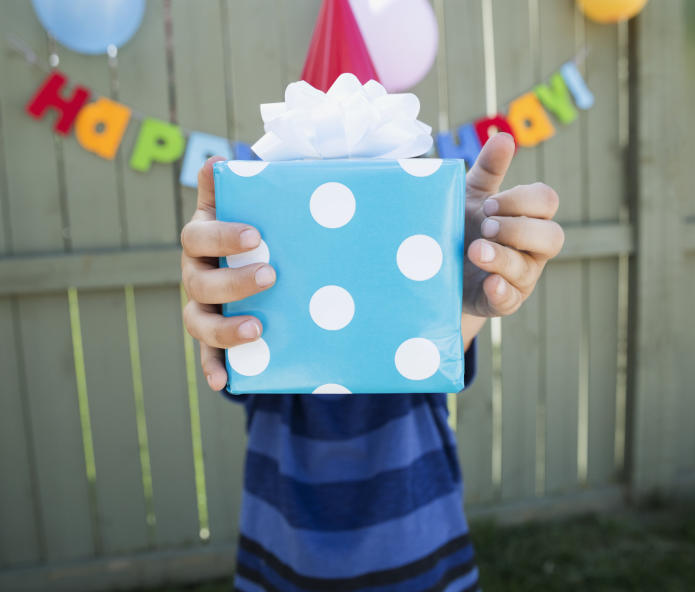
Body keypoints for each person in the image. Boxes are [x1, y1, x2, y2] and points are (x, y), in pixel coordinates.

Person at [180, 133, 564, 591]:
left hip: (421, 561)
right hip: (284, 560)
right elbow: (240, 361)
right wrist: (217, 296)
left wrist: (454, 278)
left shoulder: (418, 299)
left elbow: (439, 347)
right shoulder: (273, 277)